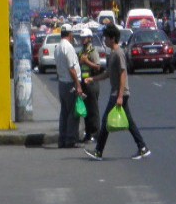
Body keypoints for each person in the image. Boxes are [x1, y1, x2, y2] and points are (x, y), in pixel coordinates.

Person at [85, 24, 151, 161]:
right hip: (118, 93)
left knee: (105, 121)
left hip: (119, 93)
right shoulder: (112, 54)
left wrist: (120, 96)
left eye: (106, 38)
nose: (104, 40)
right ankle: (142, 147)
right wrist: (93, 79)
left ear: (113, 38)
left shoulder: (119, 53)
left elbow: (123, 74)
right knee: (130, 123)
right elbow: (108, 73)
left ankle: (98, 151)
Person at [54, 27, 84, 149]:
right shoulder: (69, 48)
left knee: (64, 113)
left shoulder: (58, 48)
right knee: (73, 113)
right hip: (70, 83)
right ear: (70, 34)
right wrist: (78, 85)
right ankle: (71, 140)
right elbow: (72, 69)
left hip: (62, 83)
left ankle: (62, 139)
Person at [79, 30, 104, 143]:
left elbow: (98, 67)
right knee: (86, 110)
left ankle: (95, 133)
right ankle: (88, 133)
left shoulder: (93, 51)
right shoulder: (82, 51)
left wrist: (87, 61)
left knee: (93, 110)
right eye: (82, 37)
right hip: (84, 83)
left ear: (89, 38)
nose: (83, 39)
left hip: (92, 83)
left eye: (85, 37)